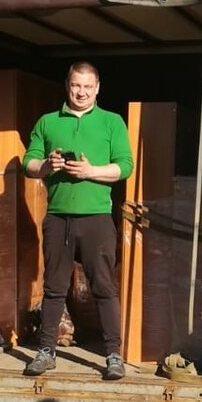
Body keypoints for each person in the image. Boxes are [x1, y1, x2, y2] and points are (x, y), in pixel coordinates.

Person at [22, 59, 133, 380]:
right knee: (54, 288)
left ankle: (113, 355)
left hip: (97, 218)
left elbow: (124, 166)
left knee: (104, 288)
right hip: (58, 218)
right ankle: (46, 352)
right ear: (67, 86)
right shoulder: (48, 122)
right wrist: (47, 165)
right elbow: (28, 163)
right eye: (75, 86)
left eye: (87, 86)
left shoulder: (112, 122)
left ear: (97, 88)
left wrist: (90, 172)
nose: (81, 92)